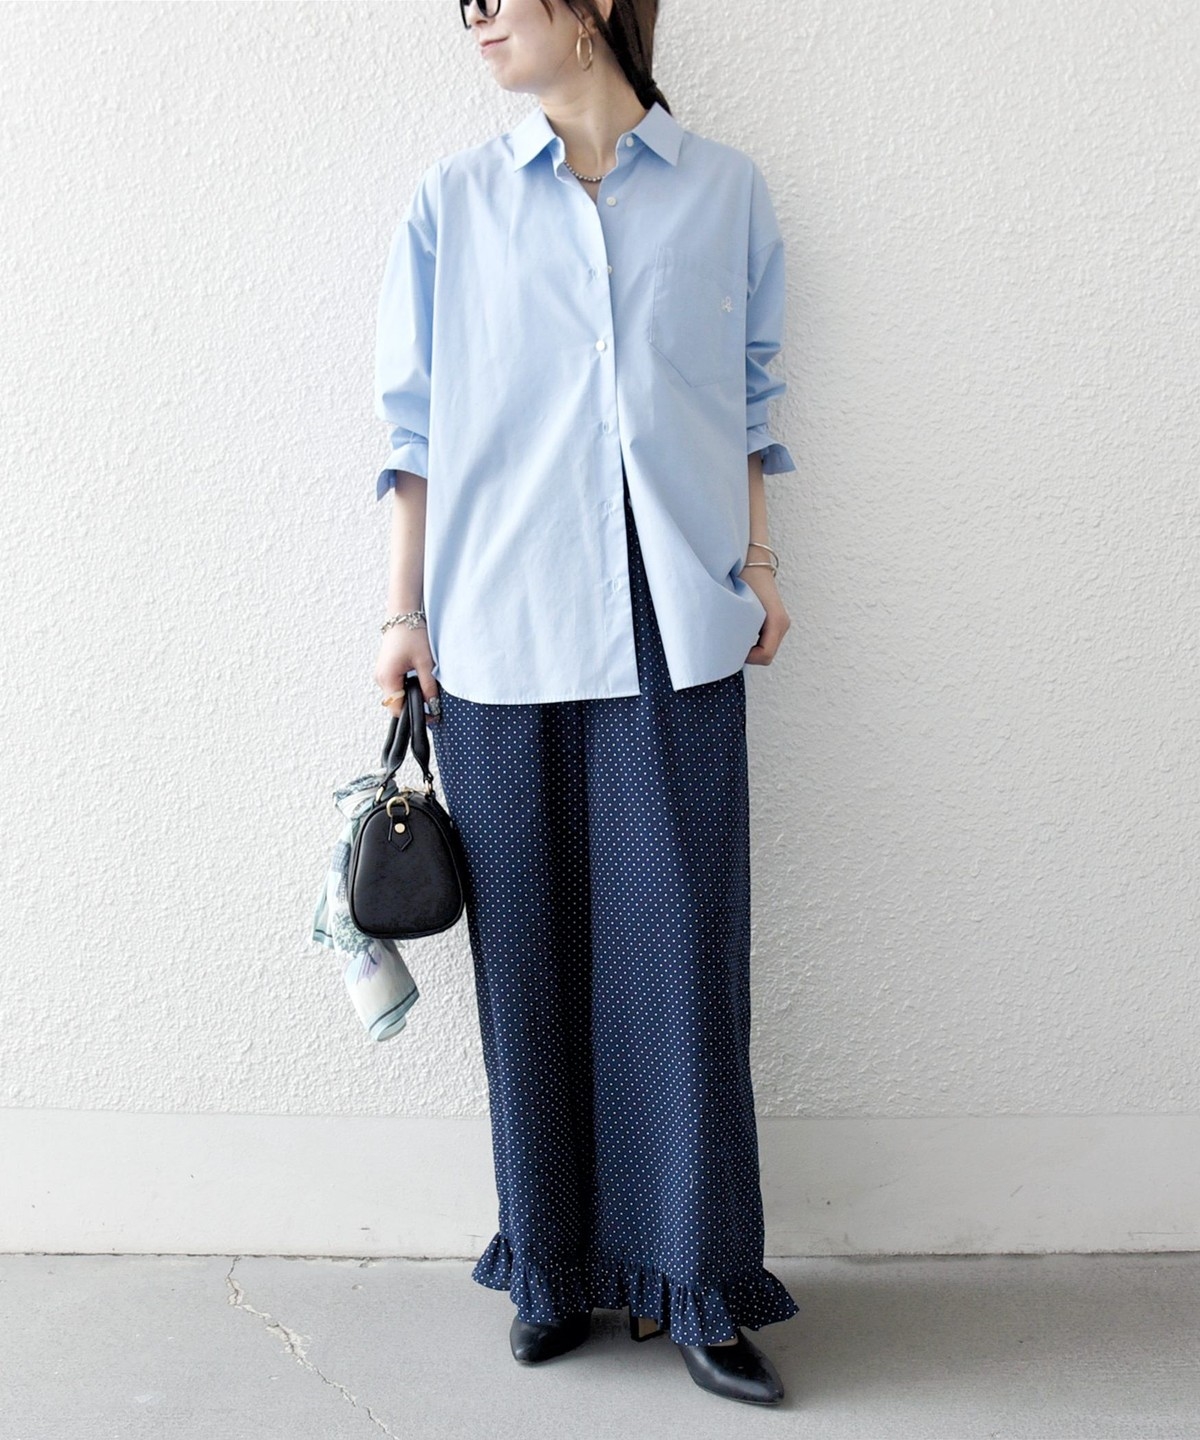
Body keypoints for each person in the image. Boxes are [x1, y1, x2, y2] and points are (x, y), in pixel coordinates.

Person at [371, 0, 799, 1408]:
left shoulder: (726, 193)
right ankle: (551, 1269)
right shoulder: (451, 205)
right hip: (498, 634)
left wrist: (760, 565)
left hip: (676, 623)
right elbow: (414, 435)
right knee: (532, 965)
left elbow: (751, 405)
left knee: (685, 966)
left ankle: (697, 1285)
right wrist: (400, 615)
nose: (478, 17)